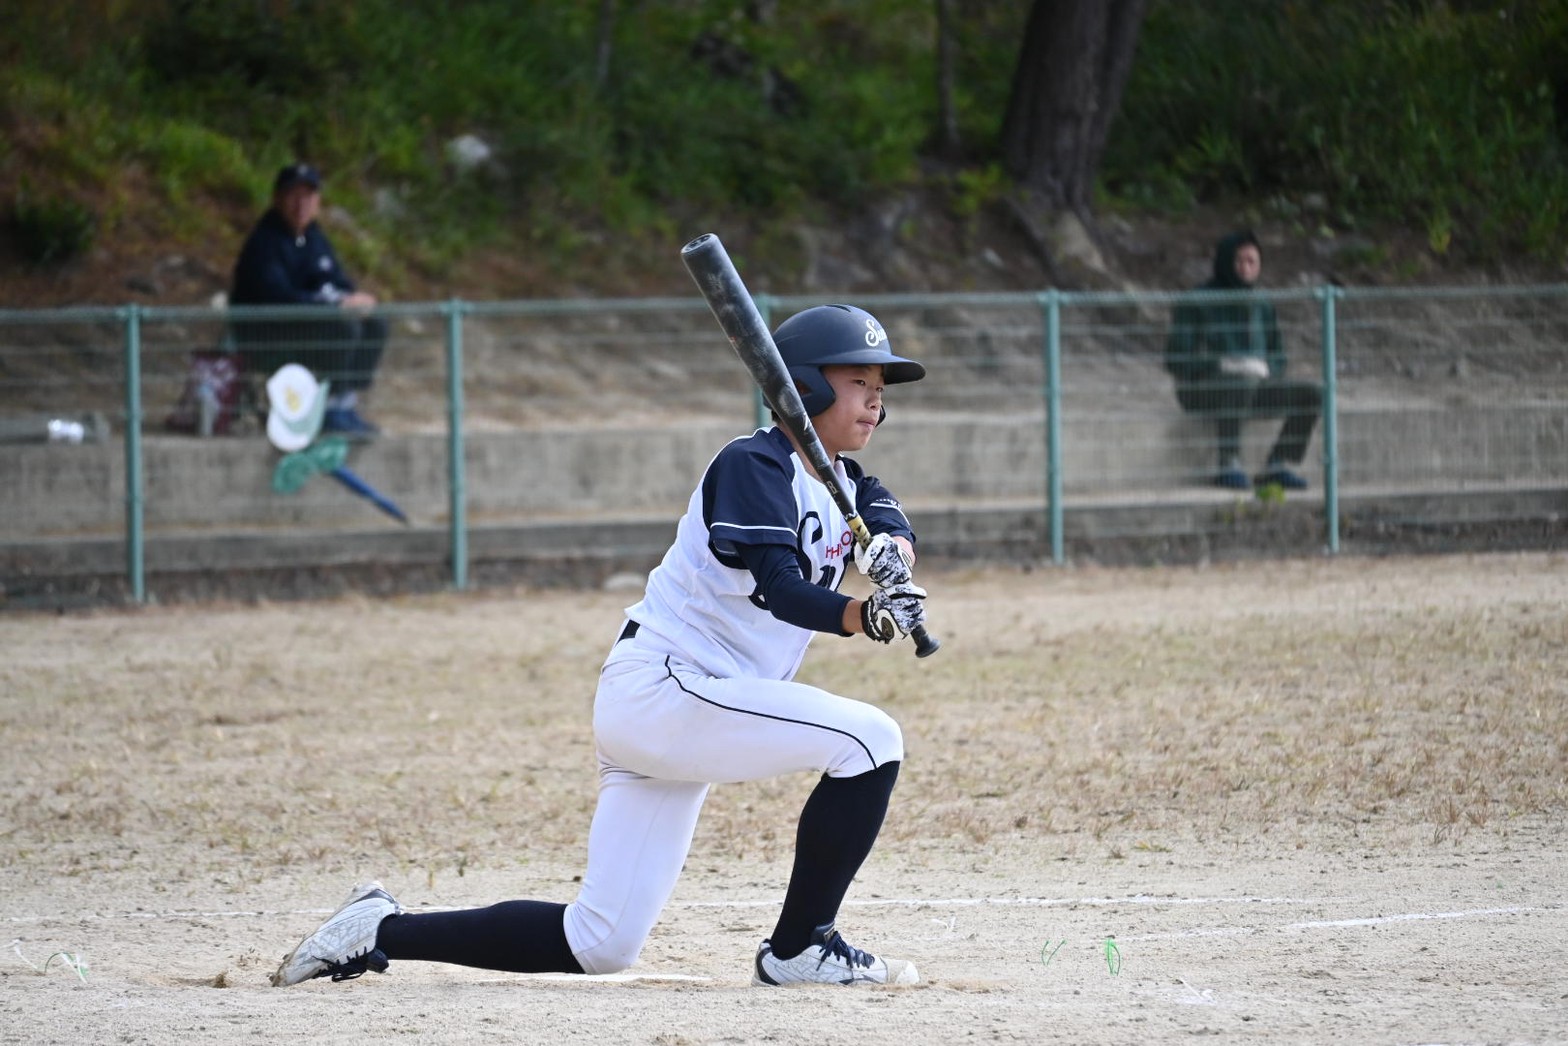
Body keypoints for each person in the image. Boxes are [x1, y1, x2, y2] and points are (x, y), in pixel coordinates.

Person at [270, 304, 932, 988]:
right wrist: (865, 614)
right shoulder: (753, 465)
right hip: (669, 688)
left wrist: (893, 556)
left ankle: (378, 929)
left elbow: (887, 524)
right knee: (870, 741)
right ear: (805, 387)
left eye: (881, 384)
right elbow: (783, 590)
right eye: (858, 380)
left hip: (697, 704)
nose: (876, 397)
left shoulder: (852, 487)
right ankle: (801, 947)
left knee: (601, 942)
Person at [230, 162, 387, 440]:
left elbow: (335, 279)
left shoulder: (313, 237)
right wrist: (331, 307)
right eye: (294, 196)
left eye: (308, 196)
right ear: (278, 198)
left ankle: (344, 402)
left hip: (310, 323)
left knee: (375, 322)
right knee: (342, 327)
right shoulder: (266, 242)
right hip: (272, 332)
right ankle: (328, 408)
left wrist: (353, 298)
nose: (301, 204)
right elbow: (279, 297)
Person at [1164, 229, 1322, 490]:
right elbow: (1175, 360)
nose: (1246, 268)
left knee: (1312, 393)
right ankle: (1229, 462)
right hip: (1202, 390)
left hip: (1254, 387)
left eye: (1252, 262)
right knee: (1243, 380)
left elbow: (1277, 352)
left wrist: (1268, 370)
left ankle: (1278, 463)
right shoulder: (1196, 301)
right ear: (1226, 262)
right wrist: (1223, 364)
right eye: (1240, 261)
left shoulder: (1262, 302)